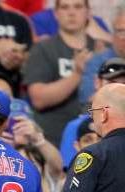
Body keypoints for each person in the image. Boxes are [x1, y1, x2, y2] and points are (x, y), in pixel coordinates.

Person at [23, 0, 96, 148]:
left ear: (88, 12)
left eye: (78, 6)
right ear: (55, 14)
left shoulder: (101, 49)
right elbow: (38, 98)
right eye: (64, 7)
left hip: (96, 139)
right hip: (53, 139)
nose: (71, 12)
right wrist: (77, 74)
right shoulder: (43, 49)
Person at [61, 57, 125, 169]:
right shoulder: (75, 127)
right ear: (97, 82)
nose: (119, 89)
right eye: (112, 82)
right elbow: (71, 172)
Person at [78, 3, 125, 106]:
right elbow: (88, 101)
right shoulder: (98, 62)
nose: (124, 37)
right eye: (121, 31)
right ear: (112, 33)